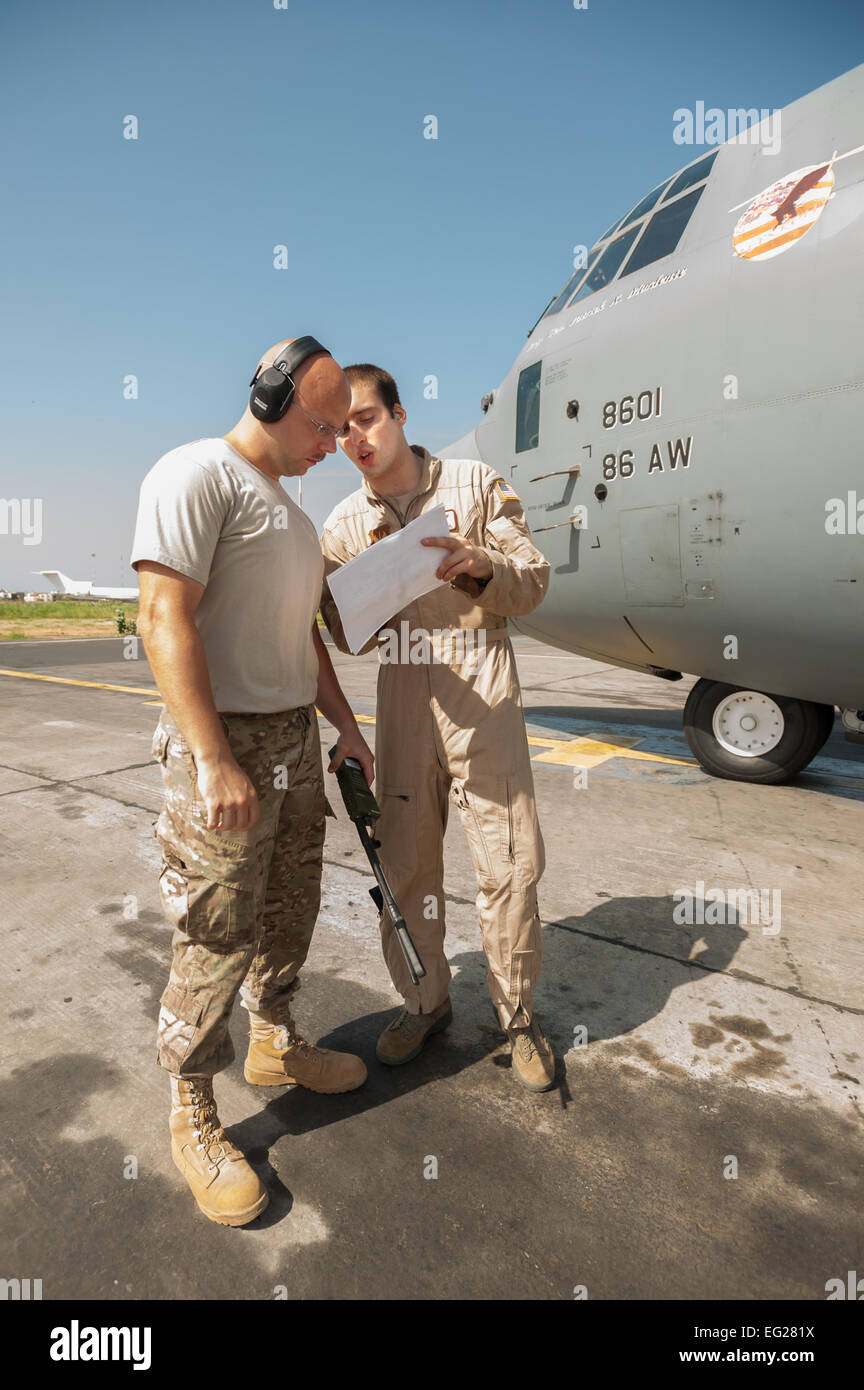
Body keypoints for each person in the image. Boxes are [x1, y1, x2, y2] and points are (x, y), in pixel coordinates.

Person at [131, 337, 374, 1227]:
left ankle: (274, 1041)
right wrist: (212, 757)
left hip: (292, 739)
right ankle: (192, 1105)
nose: (331, 446)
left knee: (289, 904)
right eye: (323, 426)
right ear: (275, 400)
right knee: (216, 927)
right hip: (223, 738)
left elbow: (305, 640)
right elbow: (165, 617)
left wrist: (344, 725)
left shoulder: (297, 521)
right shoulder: (196, 474)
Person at [320, 364, 554, 1092]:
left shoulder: (476, 486)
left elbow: (534, 581)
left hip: (480, 678)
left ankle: (518, 1020)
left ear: (399, 414)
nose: (354, 438)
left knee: (507, 860)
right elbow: (339, 633)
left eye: (365, 418)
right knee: (407, 861)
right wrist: (353, 610)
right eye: (338, 429)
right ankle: (425, 1003)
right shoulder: (342, 526)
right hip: (401, 689)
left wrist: (482, 566)